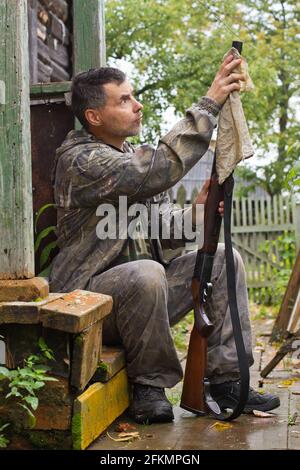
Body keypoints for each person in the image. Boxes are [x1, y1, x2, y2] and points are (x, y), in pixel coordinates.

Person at [50, 54, 280, 424]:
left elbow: (161, 228)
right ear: (93, 116)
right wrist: (209, 104)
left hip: (148, 298)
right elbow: (156, 169)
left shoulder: (126, 156)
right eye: (124, 100)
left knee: (224, 260)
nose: (137, 105)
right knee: (145, 273)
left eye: (133, 95)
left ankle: (225, 382)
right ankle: (150, 387)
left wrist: (196, 213)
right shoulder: (82, 161)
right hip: (89, 304)